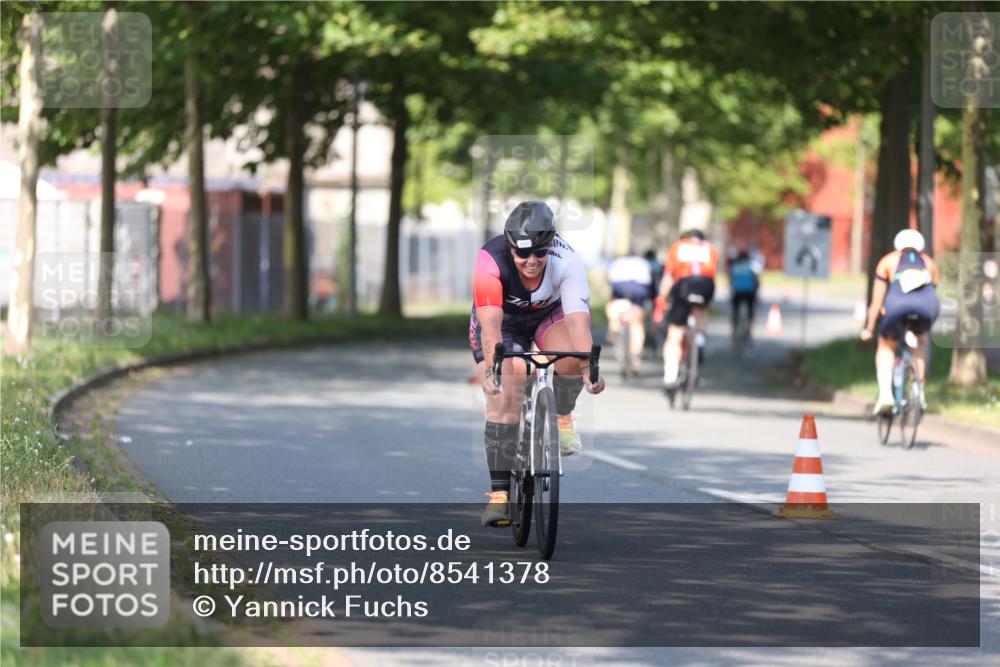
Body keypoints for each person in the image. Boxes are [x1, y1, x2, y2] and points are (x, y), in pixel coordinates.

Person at [470, 201, 606, 527]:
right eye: (522, 254)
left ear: (551, 245)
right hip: (503, 324)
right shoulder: (490, 259)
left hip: (548, 317)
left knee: (572, 358)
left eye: (539, 253)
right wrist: (491, 368)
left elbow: (578, 324)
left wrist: (589, 371)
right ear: (510, 247)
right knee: (507, 389)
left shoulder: (567, 259)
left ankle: (561, 415)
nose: (531, 261)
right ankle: (500, 495)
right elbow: (489, 324)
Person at [860, 229, 940, 414]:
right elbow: (931, 292)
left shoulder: (888, 260)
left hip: (897, 306)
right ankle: (919, 392)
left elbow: (877, 301)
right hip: (926, 307)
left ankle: (886, 395)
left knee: (886, 346)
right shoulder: (929, 263)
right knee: (919, 344)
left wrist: (869, 328)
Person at [655, 229, 719, 388]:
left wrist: (662, 298)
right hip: (705, 286)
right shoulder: (710, 248)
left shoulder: (678, 246)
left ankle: (670, 376)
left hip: (684, 285)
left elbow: (669, 277)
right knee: (702, 310)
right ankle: (700, 340)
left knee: (675, 333)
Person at [605, 252, 654, 374]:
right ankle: (636, 357)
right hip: (638, 291)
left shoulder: (618, 263)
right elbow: (651, 286)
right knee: (637, 324)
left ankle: (614, 323)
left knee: (611, 305)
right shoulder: (643, 263)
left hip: (620, 288)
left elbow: (610, 282)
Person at [726, 242, 765, 339]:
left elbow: (730, 279)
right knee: (751, 308)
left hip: (737, 291)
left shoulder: (734, 266)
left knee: (735, 309)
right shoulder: (752, 265)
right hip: (749, 292)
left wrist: (731, 289)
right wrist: (757, 291)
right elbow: (756, 279)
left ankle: (734, 328)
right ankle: (749, 327)